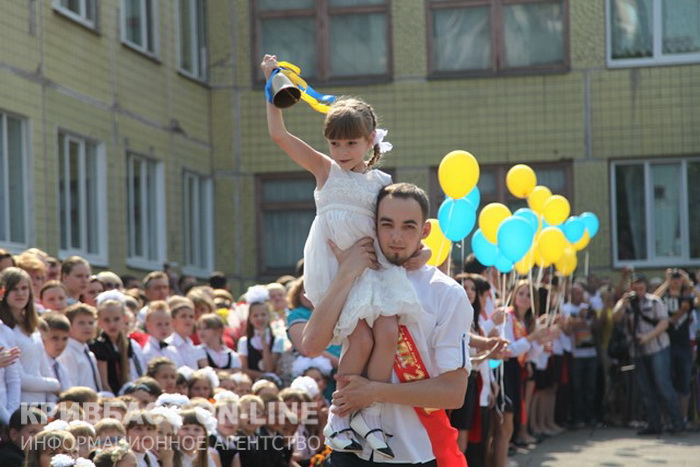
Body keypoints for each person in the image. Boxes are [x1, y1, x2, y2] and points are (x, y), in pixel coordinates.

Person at [262, 55, 429, 458]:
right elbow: (280, 136)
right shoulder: (325, 171)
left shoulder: (383, 183)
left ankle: (368, 416)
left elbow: (391, 227)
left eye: (350, 142)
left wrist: (412, 252)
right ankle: (341, 417)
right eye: (335, 142)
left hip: (374, 267)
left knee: (387, 333)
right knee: (362, 336)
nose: (341, 150)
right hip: (339, 267)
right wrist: (272, 86)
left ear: (371, 139)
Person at [302, 183, 471, 466]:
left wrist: (374, 392)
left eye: (408, 226)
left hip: (410, 452)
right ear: (374, 225)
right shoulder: (355, 273)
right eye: (387, 224)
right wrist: (346, 274)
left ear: (424, 231)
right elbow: (311, 345)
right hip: (349, 451)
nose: (396, 236)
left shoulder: (446, 293)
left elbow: (453, 393)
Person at [613, 274, 684, 434]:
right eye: (635, 288)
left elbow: (664, 323)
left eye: (641, 288)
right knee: (646, 389)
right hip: (637, 351)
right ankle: (654, 424)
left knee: (663, 385)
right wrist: (621, 302)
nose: (638, 292)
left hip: (657, 348)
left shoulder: (654, 302)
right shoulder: (628, 304)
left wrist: (647, 337)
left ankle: (677, 422)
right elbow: (615, 318)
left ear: (645, 288)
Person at [0, 267, 59, 403]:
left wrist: (51, 403)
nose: (20, 293)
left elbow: (44, 368)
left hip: (41, 404)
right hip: (18, 404)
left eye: (24, 288)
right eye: (14, 289)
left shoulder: (32, 326)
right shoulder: (4, 329)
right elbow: (19, 378)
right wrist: (55, 384)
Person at [91, 291, 146, 395]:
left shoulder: (127, 343)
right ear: (99, 322)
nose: (112, 324)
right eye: (107, 320)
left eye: (116, 319)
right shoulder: (99, 345)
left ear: (124, 319)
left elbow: (127, 375)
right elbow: (103, 382)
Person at [58, 303, 102, 392]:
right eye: (81, 323)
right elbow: (71, 386)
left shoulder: (88, 352)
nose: (87, 327)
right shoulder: (68, 353)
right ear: (69, 326)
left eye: (91, 323)